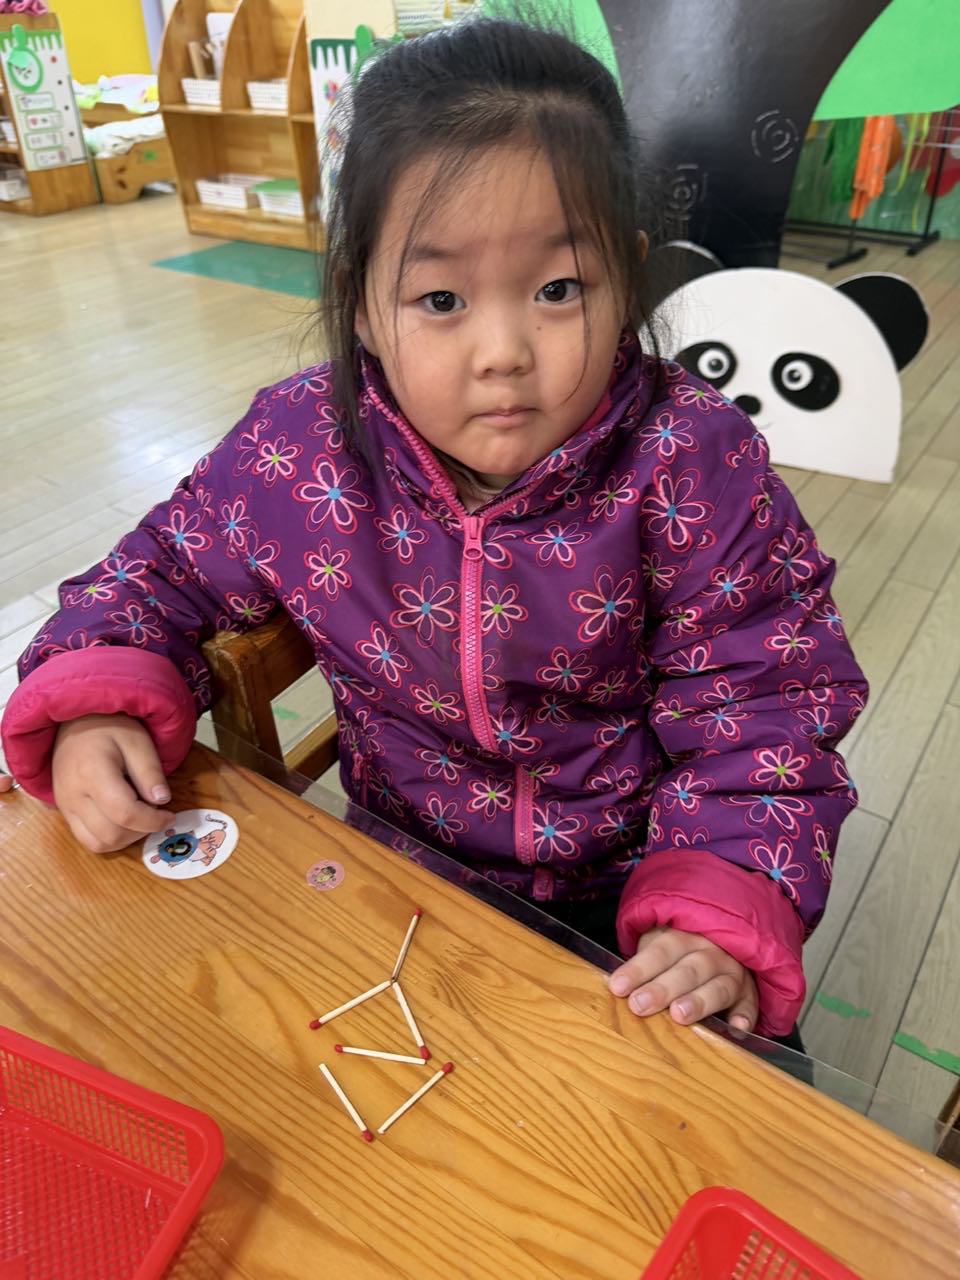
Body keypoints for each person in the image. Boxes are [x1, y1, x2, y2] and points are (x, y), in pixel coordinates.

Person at [0, 16, 867, 1044]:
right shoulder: (301, 448)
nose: (503, 351)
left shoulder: (693, 460)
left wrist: (714, 899)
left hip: (637, 899)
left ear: (628, 279)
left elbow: (766, 703)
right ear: (362, 305)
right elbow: (158, 573)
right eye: (441, 297)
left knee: (740, 1111)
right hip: (396, 882)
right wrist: (99, 702)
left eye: (558, 289)